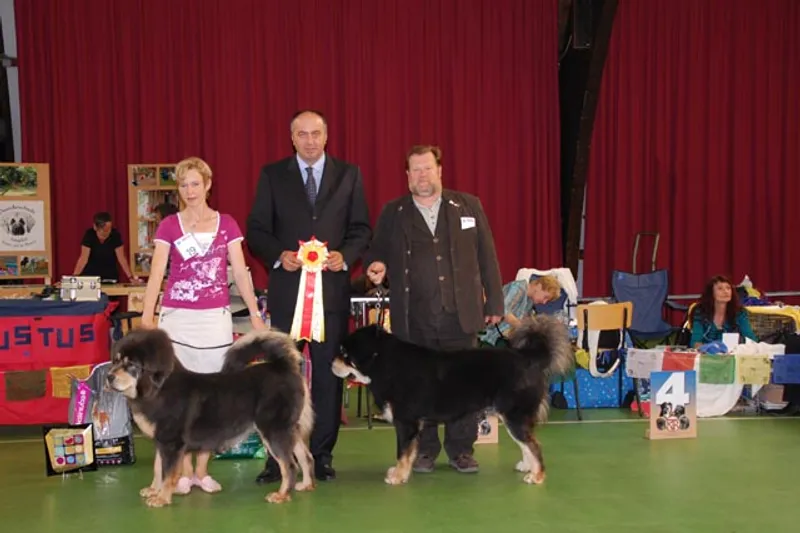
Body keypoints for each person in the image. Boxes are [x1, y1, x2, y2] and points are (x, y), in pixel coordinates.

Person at [246, 110, 372, 483]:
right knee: (279, 378)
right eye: (302, 134)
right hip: (288, 296)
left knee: (329, 378)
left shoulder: (349, 175)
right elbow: (256, 229)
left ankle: (322, 455)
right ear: (292, 138)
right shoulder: (272, 175)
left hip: (330, 296)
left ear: (326, 136)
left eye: (316, 133)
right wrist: (278, 255)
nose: (310, 140)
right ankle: (276, 458)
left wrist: (345, 256)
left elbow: (361, 228)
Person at [365, 144, 504, 474]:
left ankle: (461, 450)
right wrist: (376, 267)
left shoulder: (468, 205)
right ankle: (424, 451)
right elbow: (376, 253)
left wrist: (495, 302)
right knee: (418, 388)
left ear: (440, 171)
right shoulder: (393, 212)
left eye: (427, 168)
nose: (422, 175)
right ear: (407, 176)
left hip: (461, 314)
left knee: (464, 386)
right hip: (414, 318)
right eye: (415, 170)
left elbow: (487, 256)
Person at [139, 156, 266, 495]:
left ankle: (201, 471)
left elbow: (241, 274)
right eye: (184, 185)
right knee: (174, 398)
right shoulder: (169, 226)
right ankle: (178, 473)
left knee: (211, 397)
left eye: (195, 183)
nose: (190, 190)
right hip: (177, 319)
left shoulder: (228, 225)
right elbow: (157, 272)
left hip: (214, 320)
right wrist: (147, 316)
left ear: (208, 185)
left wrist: (255, 314)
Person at [479, 275, 561, 347]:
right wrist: (522, 326)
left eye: (547, 300)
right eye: (545, 297)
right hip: (489, 335)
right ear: (539, 286)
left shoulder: (530, 301)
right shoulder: (518, 287)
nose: (544, 302)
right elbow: (503, 311)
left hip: (501, 338)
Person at [689, 274, 758, 348]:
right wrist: (708, 348)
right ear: (711, 293)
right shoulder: (701, 312)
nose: (726, 291)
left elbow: (751, 340)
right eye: (720, 289)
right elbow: (695, 342)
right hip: (707, 353)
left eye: (728, 288)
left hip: (733, 352)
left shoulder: (739, 312)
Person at [72, 212, 139, 283]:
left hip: (110, 276)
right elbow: (83, 259)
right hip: (90, 276)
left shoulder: (115, 235)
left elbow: (122, 258)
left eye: (109, 229)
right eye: (104, 230)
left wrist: (130, 277)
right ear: (95, 227)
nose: (108, 232)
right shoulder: (89, 235)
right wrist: (74, 277)